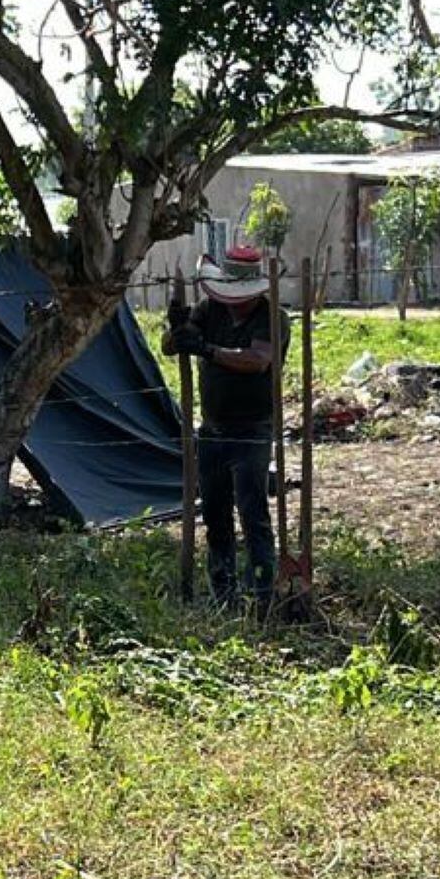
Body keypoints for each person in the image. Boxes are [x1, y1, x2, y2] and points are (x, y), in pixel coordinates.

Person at [161, 243, 290, 612]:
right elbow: (173, 346)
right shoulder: (209, 309)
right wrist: (178, 328)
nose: (233, 301)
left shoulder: (272, 316)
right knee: (215, 514)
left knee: (253, 514)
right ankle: (224, 596)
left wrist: (208, 350)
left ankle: (263, 595)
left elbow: (257, 360)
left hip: (252, 429)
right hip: (213, 429)